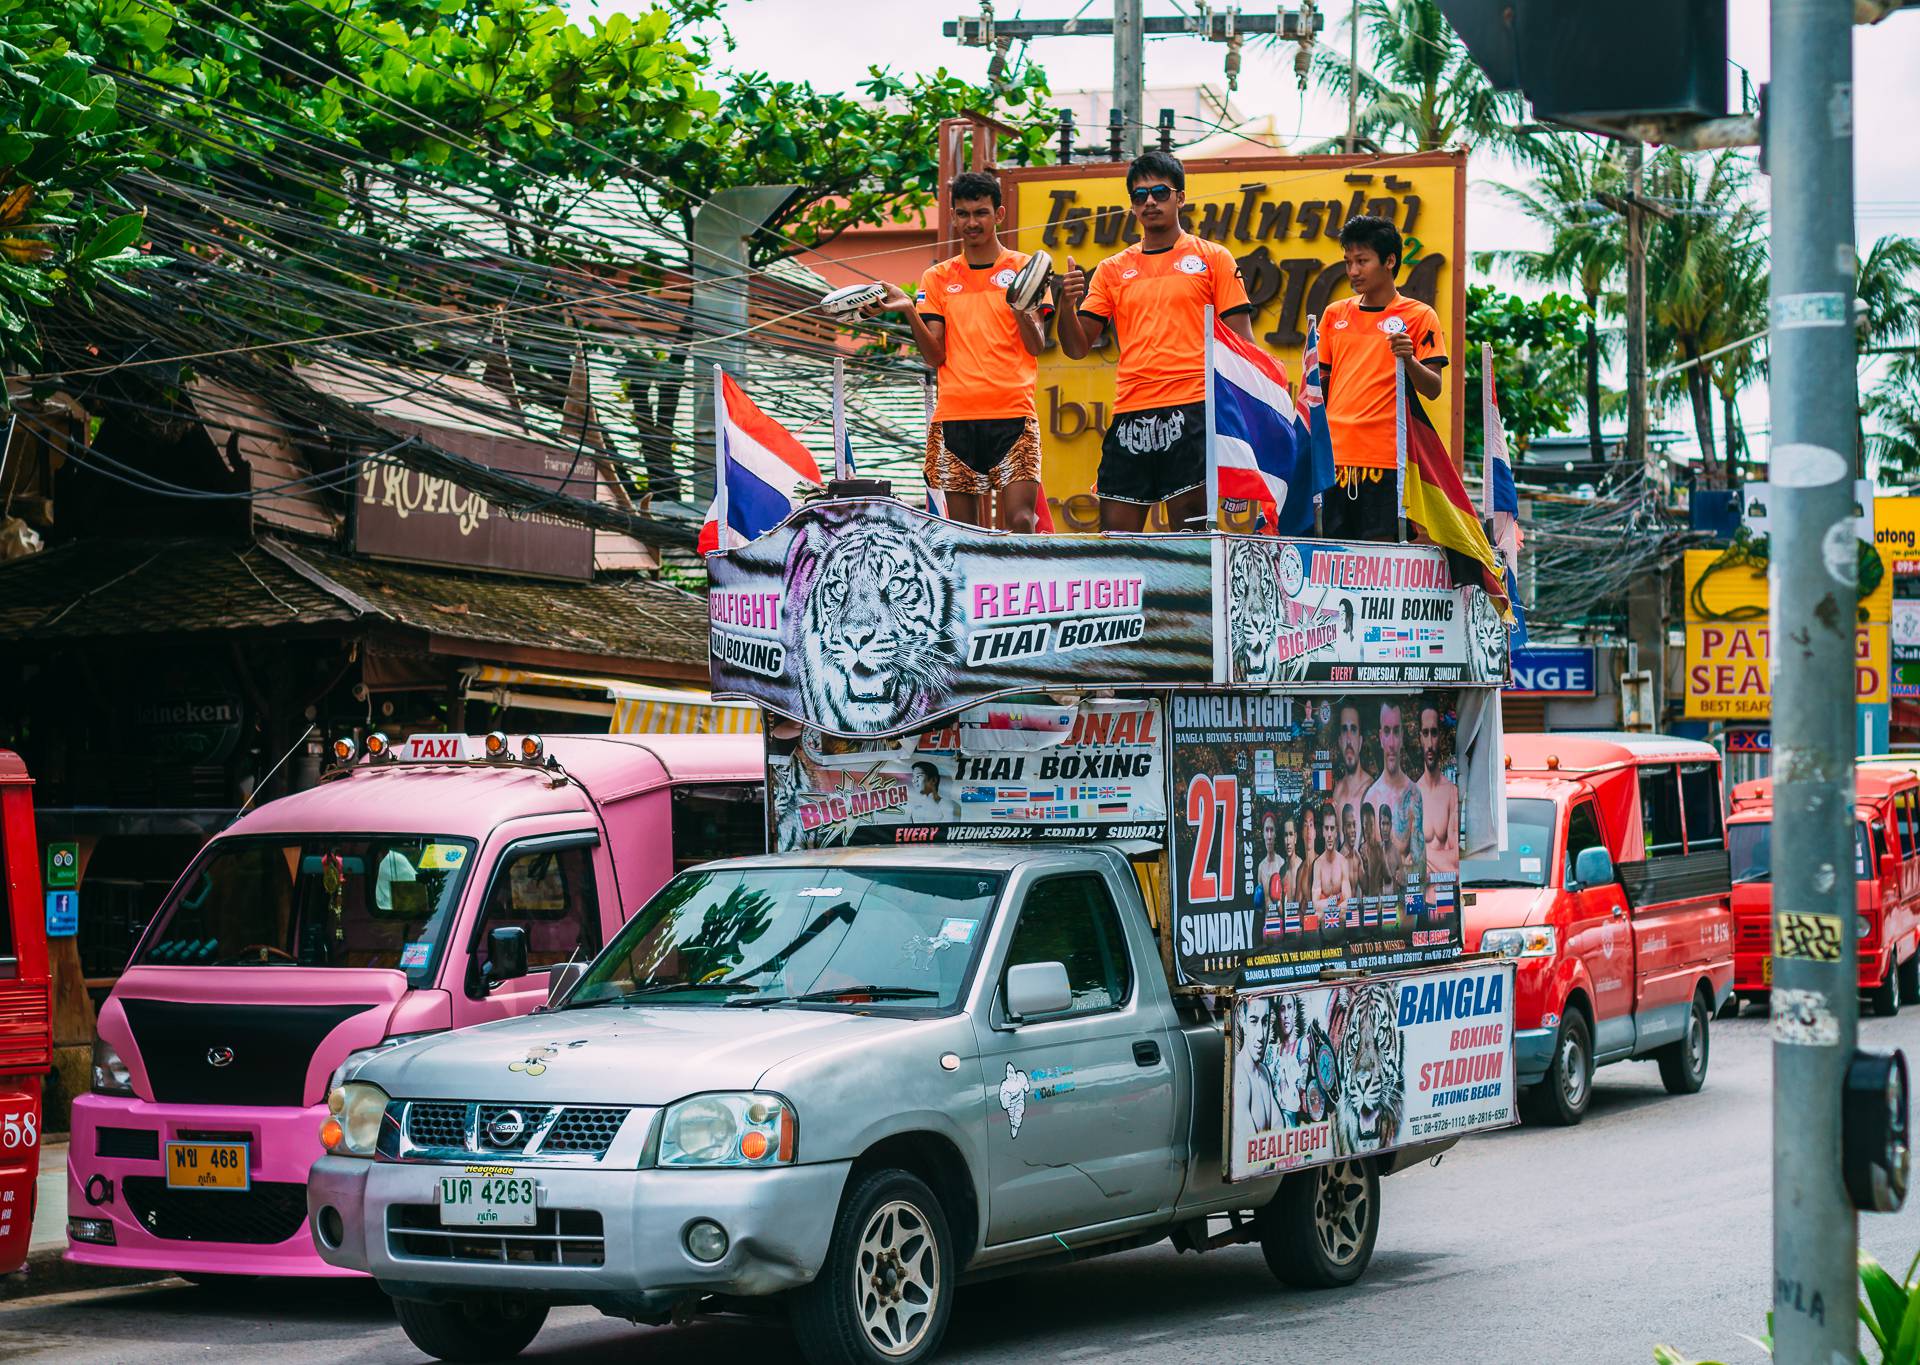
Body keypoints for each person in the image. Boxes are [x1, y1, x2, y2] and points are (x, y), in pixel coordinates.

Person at [1056, 151, 1256, 533]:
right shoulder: (1112, 270)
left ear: (1180, 197)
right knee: (1117, 544)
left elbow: (1244, 346)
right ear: (1132, 205)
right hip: (1131, 411)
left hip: (1194, 409)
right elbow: (1077, 346)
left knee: (1191, 543)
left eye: (1160, 192)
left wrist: (1242, 429)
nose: (1149, 201)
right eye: (1139, 195)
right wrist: (1067, 305)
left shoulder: (1213, 258)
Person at [874, 171, 1046, 532]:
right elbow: (934, 355)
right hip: (955, 418)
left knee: (1020, 521)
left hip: (1013, 413)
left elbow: (1037, 345)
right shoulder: (936, 278)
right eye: (964, 214)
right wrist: (908, 309)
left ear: (998, 215)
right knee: (964, 534)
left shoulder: (1023, 268)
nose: (972, 222)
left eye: (981, 212)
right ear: (953, 217)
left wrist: (1019, 307)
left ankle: (1013, 587)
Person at [1318, 215, 1448, 543]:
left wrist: (1408, 359)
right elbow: (1319, 384)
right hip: (1334, 459)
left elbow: (1433, 387)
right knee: (1333, 558)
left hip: (1387, 460)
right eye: (1348, 262)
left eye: (1362, 261)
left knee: (1380, 559)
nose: (1353, 272)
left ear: (1389, 261)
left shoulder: (1419, 315)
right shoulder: (1335, 314)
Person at [1365, 699, 1422, 898]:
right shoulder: (1371, 798)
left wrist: (1404, 872)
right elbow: (1369, 873)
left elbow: (1420, 865)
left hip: (1407, 910)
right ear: (1380, 737)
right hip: (1378, 912)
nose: (1391, 742)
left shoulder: (1413, 794)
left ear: (1402, 737)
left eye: (1396, 731)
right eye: (1387, 731)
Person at [1416, 699, 1461, 877]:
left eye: (1433, 733)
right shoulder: (1412, 794)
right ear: (1419, 737)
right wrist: (1443, 859)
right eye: (1425, 733)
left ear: (1440, 736)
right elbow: (1406, 864)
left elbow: (1457, 862)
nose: (1429, 743)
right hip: (1420, 898)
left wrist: (1423, 855)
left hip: (1447, 896)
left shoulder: (1451, 792)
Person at [1310, 802, 1354, 928]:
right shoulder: (1317, 864)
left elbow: (1348, 902)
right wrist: (1336, 899)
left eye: (1332, 828)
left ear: (1336, 832)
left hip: (1341, 926)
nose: (1329, 834)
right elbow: (1315, 905)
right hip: (1324, 925)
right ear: (1322, 832)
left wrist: (1327, 904)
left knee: (1349, 914)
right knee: (1316, 915)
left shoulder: (1343, 863)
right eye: (1326, 828)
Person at [1256, 811, 1286, 907]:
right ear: (1263, 834)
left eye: (1271, 830)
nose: (1269, 836)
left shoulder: (1281, 863)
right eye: (1267, 830)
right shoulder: (1261, 867)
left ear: (1275, 834)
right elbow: (1260, 906)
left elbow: (1287, 900)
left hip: (1280, 920)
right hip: (1266, 920)